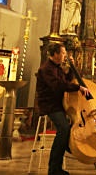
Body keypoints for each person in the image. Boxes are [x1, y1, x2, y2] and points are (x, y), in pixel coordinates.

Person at [36, 43, 90, 175]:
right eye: (63, 53)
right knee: (64, 129)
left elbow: (67, 80)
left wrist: (72, 68)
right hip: (50, 105)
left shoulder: (57, 68)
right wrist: (79, 88)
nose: (65, 55)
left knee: (67, 130)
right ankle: (53, 169)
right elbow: (59, 86)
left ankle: (59, 163)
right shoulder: (46, 69)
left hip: (58, 104)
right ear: (55, 54)